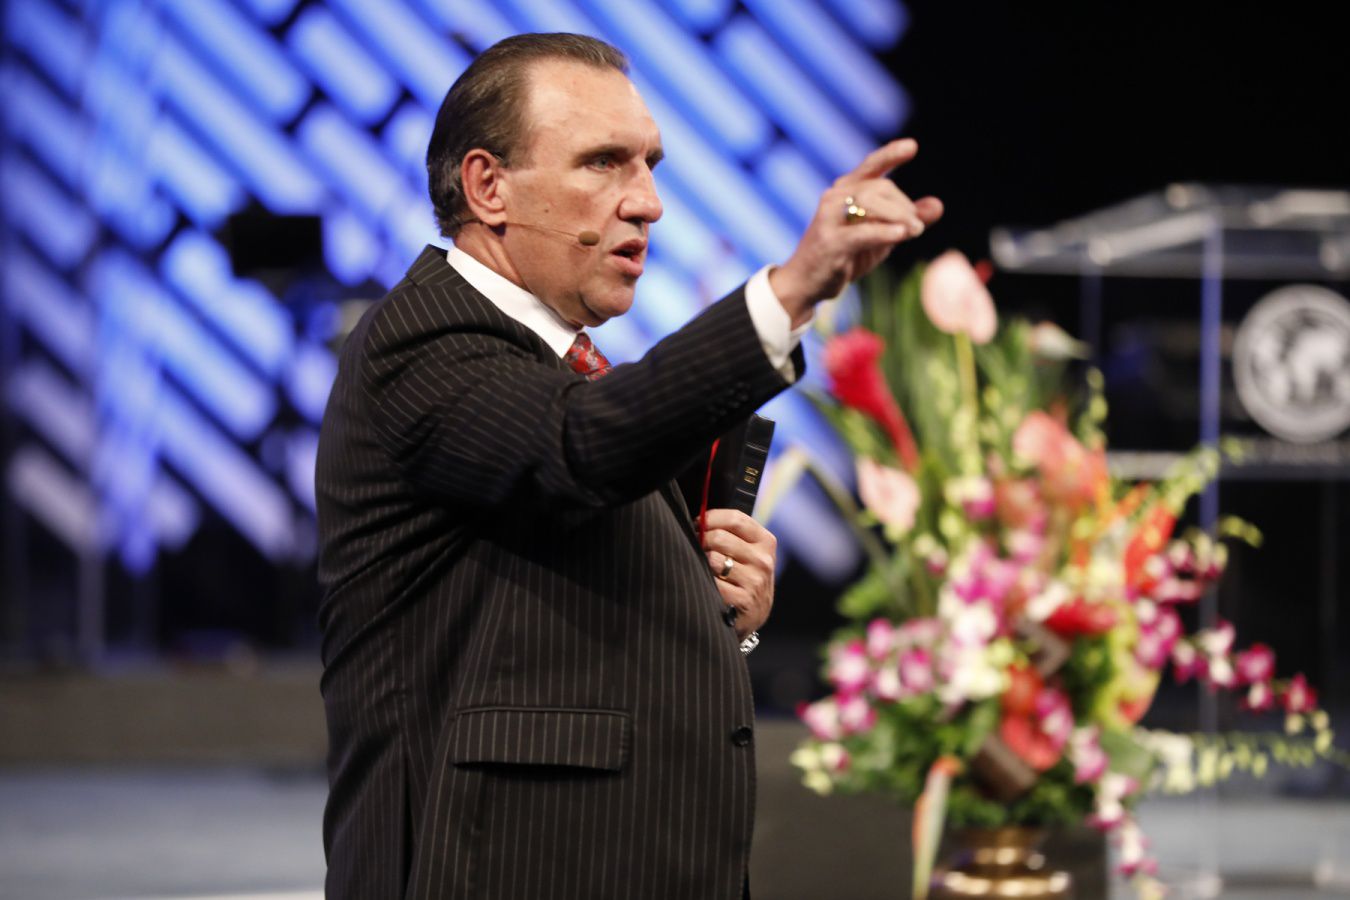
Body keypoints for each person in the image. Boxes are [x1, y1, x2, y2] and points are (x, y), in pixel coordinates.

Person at [315, 32, 942, 900]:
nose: (647, 203)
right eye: (604, 162)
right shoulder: (422, 342)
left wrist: (721, 606)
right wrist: (791, 292)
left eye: (650, 165)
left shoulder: (558, 365)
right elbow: (582, 448)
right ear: (488, 186)